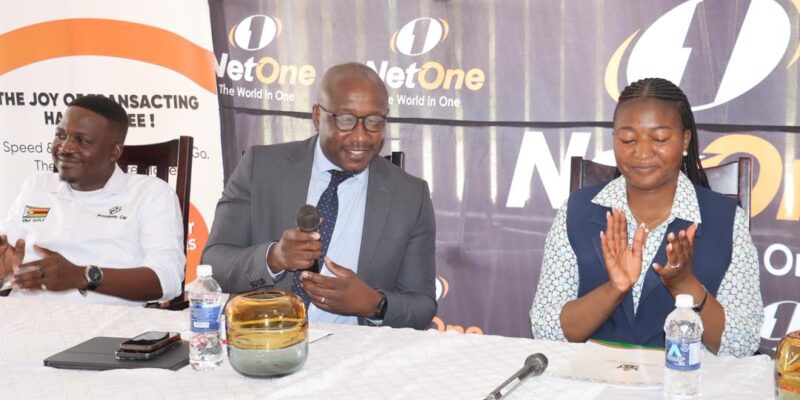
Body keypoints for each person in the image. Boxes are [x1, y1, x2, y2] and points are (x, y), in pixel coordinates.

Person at [530, 78, 762, 357]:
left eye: (659, 138)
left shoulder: (726, 221)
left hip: (686, 379)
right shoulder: (576, 211)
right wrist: (614, 289)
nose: (641, 152)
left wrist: (685, 285)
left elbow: (741, 345)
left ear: (685, 139)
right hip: (591, 378)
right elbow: (546, 331)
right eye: (628, 139)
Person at [201, 62, 437, 329]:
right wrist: (274, 257)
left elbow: (422, 305)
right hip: (263, 337)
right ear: (317, 117)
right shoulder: (261, 167)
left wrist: (374, 303)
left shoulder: (410, 196)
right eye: (346, 120)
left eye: (374, 121)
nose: (361, 137)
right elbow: (214, 264)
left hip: (355, 346)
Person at [0, 95, 185, 306]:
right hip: (23, 316)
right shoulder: (36, 185)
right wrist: (3, 276)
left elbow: (168, 279)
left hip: (109, 322)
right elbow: (6, 264)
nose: (64, 148)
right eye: (60, 135)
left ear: (114, 151)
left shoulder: (150, 194)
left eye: (82, 140)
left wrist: (83, 276)